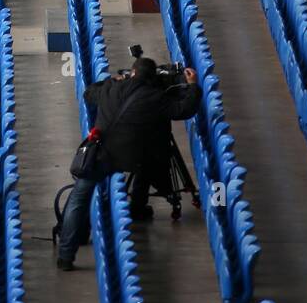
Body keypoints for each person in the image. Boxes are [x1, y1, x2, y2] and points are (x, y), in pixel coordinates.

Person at [57, 57, 202, 271]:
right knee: (153, 156)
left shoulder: (112, 88)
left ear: (132, 73)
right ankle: (137, 206)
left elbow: (89, 93)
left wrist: (111, 80)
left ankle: (66, 255)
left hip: (100, 154)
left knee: (79, 197)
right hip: (134, 158)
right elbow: (184, 110)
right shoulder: (156, 97)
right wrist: (192, 87)